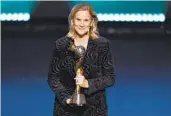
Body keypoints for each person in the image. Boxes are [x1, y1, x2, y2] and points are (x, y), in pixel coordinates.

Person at [47, 3, 115, 116]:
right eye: (78, 20)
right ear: (72, 21)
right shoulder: (61, 45)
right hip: (66, 110)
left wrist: (87, 83)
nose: (82, 24)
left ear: (92, 22)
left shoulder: (103, 45)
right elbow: (53, 78)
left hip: (95, 109)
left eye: (86, 20)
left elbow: (110, 78)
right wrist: (66, 99)